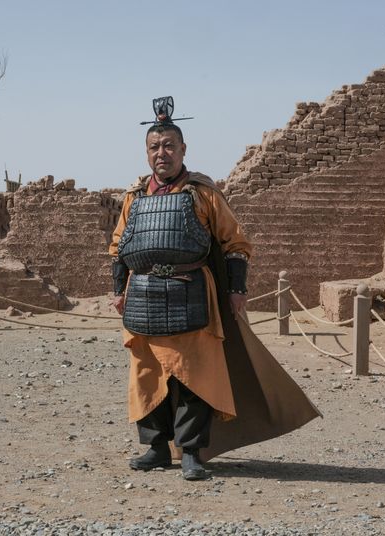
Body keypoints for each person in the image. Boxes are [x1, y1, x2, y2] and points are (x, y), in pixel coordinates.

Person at [110, 97, 320, 481]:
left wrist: (236, 290)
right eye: (155, 147)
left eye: (169, 146)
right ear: (146, 152)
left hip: (192, 293)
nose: (162, 153)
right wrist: (117, 290)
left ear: (183, 149)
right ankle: (156, 449)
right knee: (147, 375)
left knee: (194, 377)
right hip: (141, 296)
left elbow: (235, 244)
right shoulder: (134, 198)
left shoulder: (203, 193)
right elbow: (120, 246)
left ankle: (191, 452)